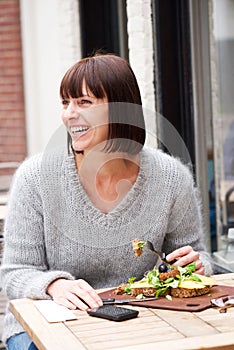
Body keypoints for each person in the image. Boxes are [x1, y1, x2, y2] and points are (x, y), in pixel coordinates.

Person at [0, 53, 213, 349]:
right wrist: (54, 285)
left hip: (141, 324)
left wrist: (194, 266)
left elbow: (197, 256)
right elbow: (15, 273)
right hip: (48, 326)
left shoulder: (170, 177)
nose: (69, 114)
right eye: (66, 103)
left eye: (84, 103)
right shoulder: (36, 177)